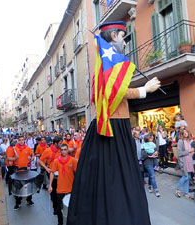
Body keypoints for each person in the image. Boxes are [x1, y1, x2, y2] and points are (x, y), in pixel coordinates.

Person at [67, 21, 160, 225]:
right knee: (119, 179)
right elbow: (114, 93)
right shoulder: (112, 63)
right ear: (114, 37)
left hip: (106, 125)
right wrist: (145, 90)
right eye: (123, 37)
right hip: (114, 126)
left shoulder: (101, 66)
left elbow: (98, 96)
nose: (126, 43)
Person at [48, 144, 77, 225]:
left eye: (65, 149)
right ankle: (60, 223)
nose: (63, 151)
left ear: (68, 150)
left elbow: (77, 173)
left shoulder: (72, 160)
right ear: (60, 151)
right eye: (62, 150)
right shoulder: (56, 161)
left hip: (70, 189)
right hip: (60, 189)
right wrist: (50, 185)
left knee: (71, 209)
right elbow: (52, 173)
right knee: (59, 209)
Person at [39, 136, 63, 214]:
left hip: (61, 174)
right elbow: (40, 161)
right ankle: (55, 208)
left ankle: (61, 205)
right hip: (52, 174)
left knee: (61, 191)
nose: (61, 144)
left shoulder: (61, 150)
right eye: (60, 143)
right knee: (54, 191)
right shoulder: (47, 151)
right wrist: (46, 168)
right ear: (55, 143)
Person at [12, 136, 34, 210]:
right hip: (17, 170)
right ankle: (18, 203)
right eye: (20, 140)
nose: (21, 141)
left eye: (22, 140)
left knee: (28, 184)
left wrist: (31, 158)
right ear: (18, 141)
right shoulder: (14, 148)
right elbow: (10, 157)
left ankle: (29, 200)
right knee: (18, 186)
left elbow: (32, 155)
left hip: (26, 170)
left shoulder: (28, 148)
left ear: (24, 141)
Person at [175, 129, 194, 199]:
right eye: (184, 132)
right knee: (185, 176)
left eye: (187, 132)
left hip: (189, 160)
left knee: (188, 177)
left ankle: (186, 193)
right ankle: (177, 189)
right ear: (182, 134)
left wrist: (191, 151)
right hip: (184, 161)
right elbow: (179, 153)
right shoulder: (180, 141)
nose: (186, 133)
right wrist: (189, 151)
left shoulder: (188, 140)